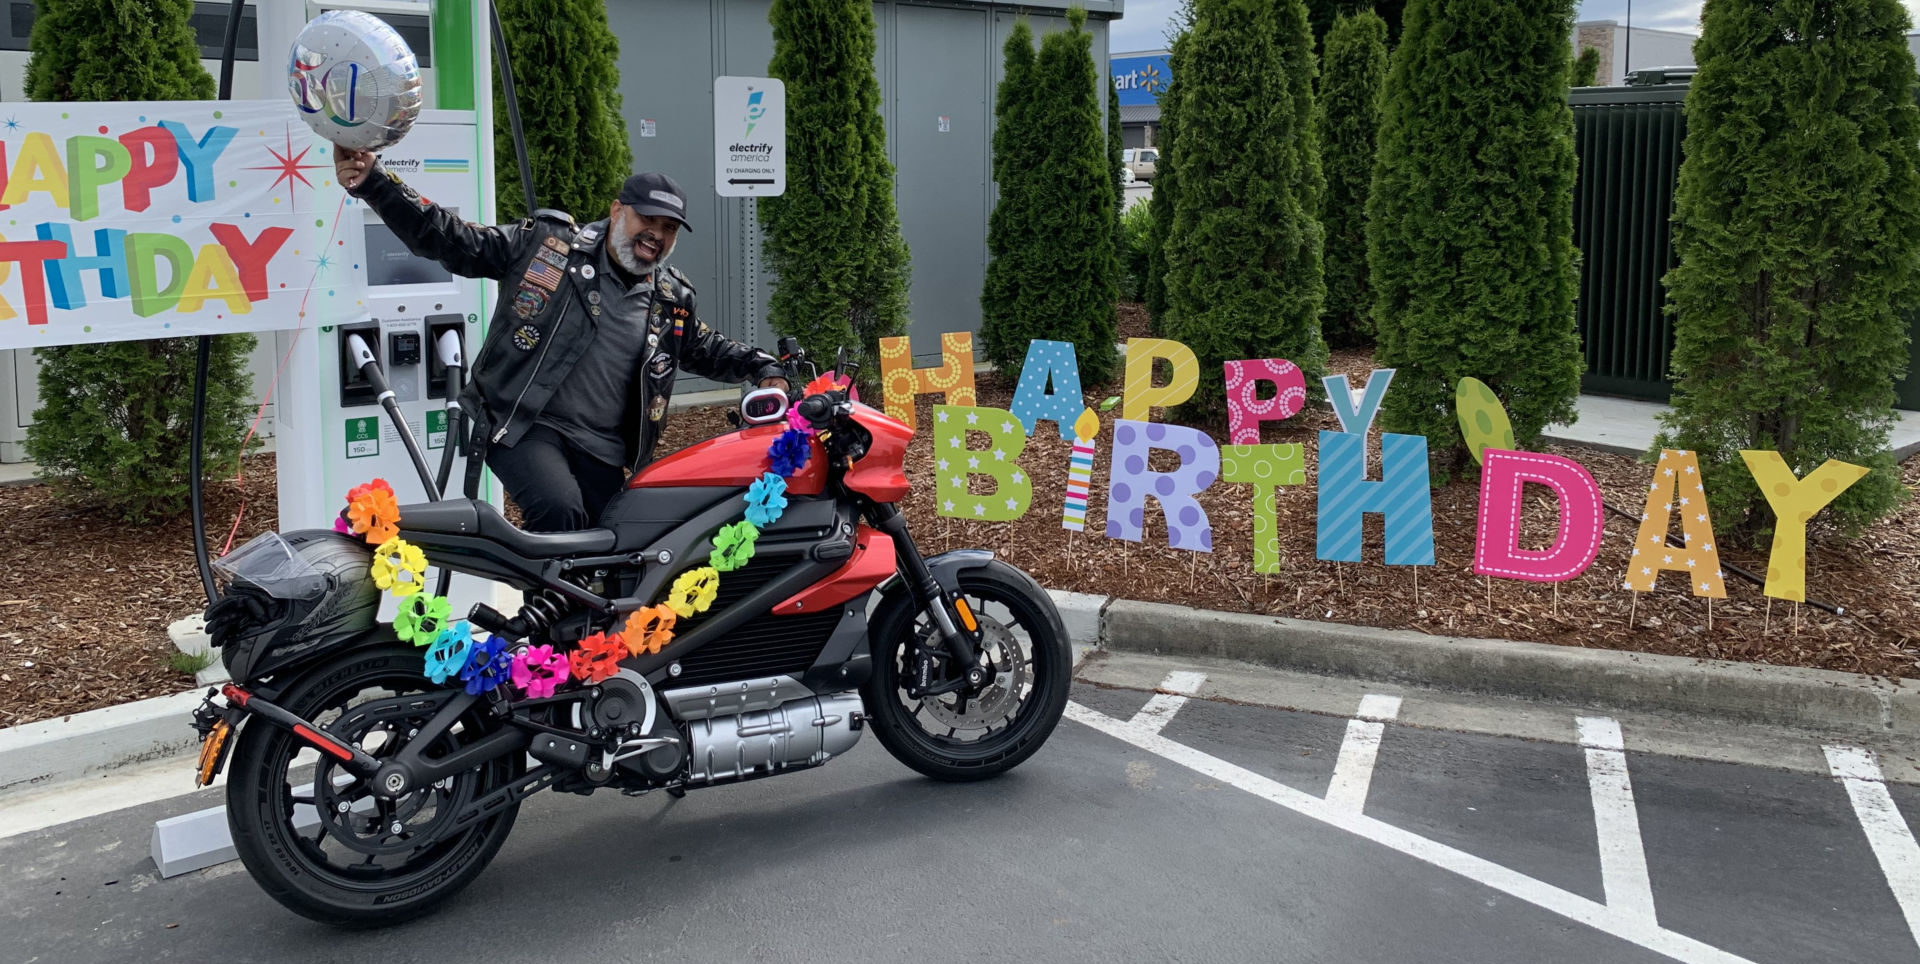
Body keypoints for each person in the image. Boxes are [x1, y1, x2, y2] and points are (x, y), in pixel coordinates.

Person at [334, 150, 788, 532]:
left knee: (624, 538)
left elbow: (705, 348)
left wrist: (766, 366)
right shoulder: (546, 245)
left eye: (669, 228)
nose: (656, 234)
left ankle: (591, 635)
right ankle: (543, 632)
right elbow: (454, 241)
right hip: (524, 424)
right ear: (616, 211)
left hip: (604, 449)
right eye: (646, 219)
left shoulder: (671, 298)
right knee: (559, 511)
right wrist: (376, 183)